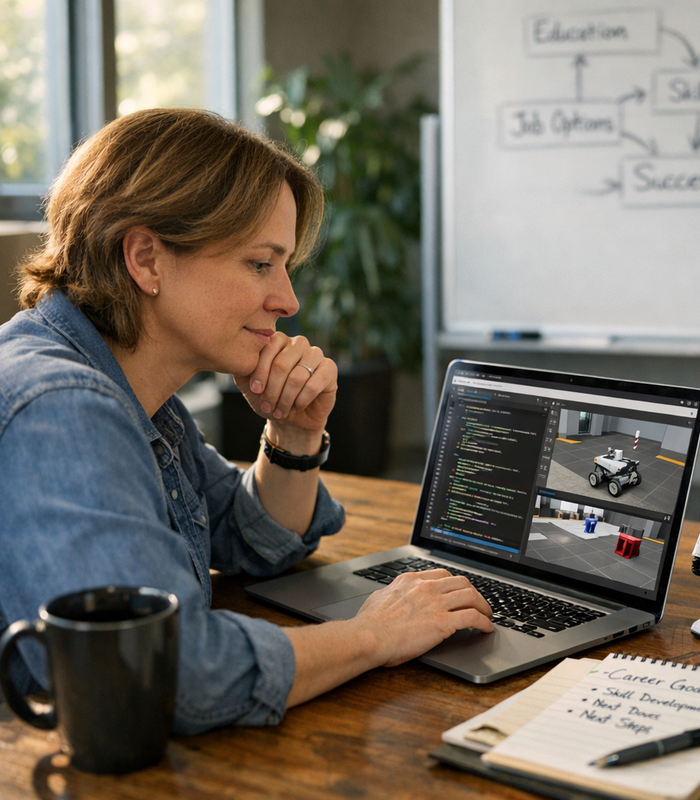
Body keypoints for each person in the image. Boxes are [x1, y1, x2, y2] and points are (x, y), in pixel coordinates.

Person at [0, 108, 493, 734]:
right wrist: (374, 635)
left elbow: (248, 536)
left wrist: (294, 434)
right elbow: (163, 677)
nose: (287, 300)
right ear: (146, 258)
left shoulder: (135, 389)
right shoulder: (62, 408)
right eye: (261, 263)